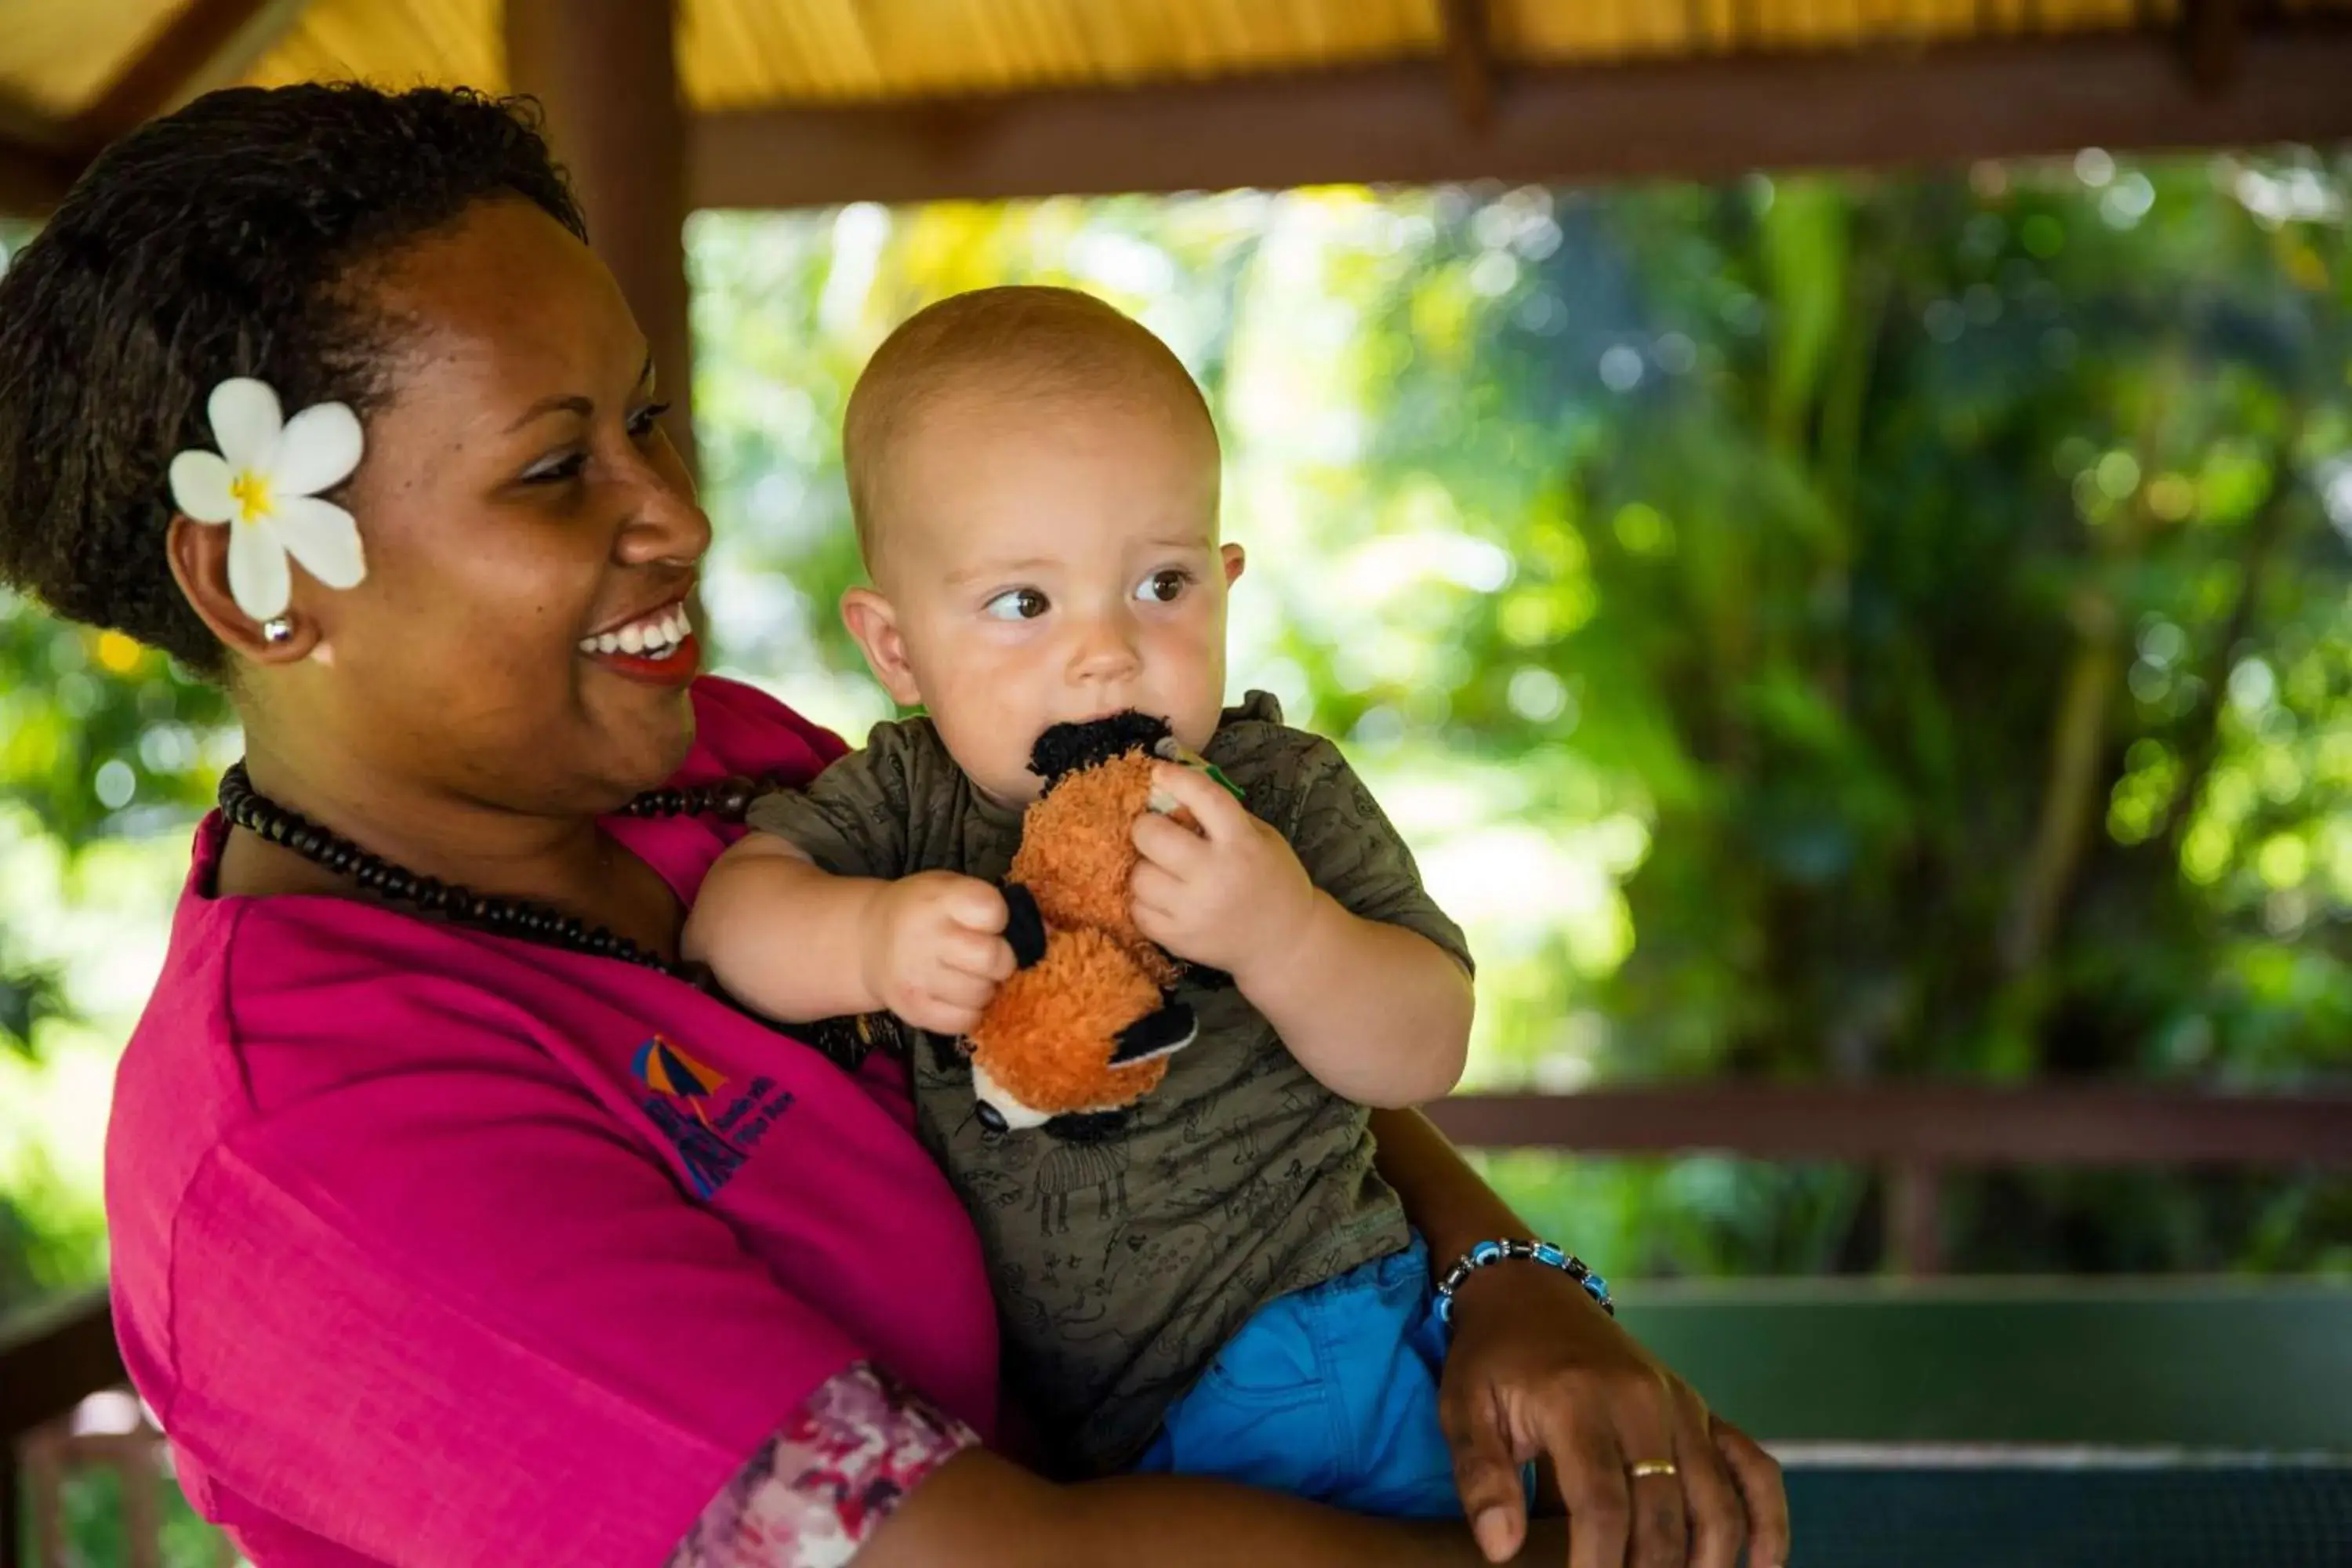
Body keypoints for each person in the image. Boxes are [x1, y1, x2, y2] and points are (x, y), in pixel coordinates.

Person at [0, 81, 1788, 1568]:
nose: (676, 516)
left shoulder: (715, 761)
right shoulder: (316, 1147)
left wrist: (1497, 1275)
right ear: (261, 586)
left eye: (647, 421)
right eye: (558, 469)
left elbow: (1226, 1030)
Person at [691, 285, 1502, 1512]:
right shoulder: (903, 799)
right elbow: (729, 920)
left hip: (1314, 1349)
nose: (1107, 652)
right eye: (1024, 604)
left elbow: (1426, 1045)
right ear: (897, 647)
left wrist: (1285, 934)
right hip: (1075, 1437)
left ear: (1226, 582)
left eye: (1162, 586)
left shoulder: (1270, 791)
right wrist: (867, 939)